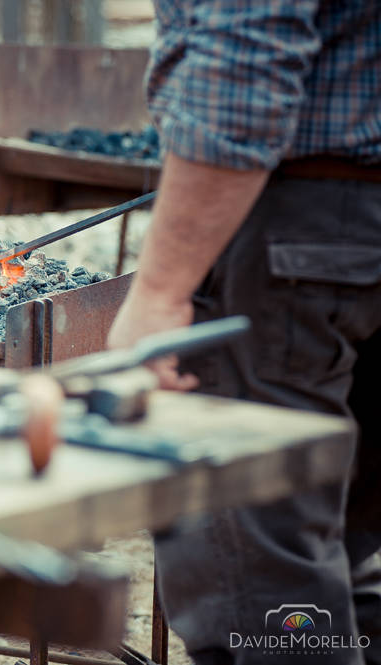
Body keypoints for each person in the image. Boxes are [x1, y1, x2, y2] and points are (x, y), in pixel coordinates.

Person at [108, 2, 381, 664]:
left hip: (299, 228)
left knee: (262, 585)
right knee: (335, 545)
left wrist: (159, 290)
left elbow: (247, 57)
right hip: (347, 229)